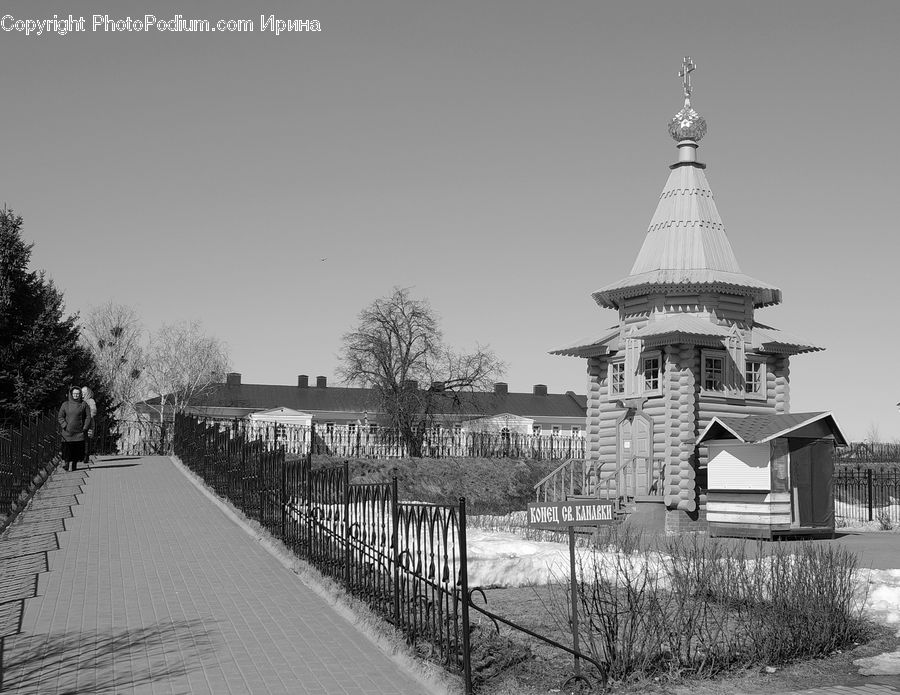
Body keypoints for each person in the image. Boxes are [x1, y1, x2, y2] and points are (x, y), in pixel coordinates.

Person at [58, 386, 92, 471]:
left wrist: (85, 427)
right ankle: (66, 463)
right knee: (67, 449)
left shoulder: (84, 404)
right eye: (74, 394)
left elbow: (88, 417)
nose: (76, 395)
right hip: (67, 432)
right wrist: (65, 425)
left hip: (79, 432)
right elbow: (60, 417)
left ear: (80, 394)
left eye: (77, 394)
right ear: (71, 394)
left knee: (77, 449)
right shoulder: (65, 404)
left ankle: (74, 464)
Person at [81, 386, 97, 465]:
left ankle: (86, 455)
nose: (83, 394)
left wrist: (88, 417)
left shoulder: (91, 401)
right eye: (82, 393)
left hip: (89, 422)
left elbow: (93, 411)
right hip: (81, 422)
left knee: (87, 438)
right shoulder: (80, 401)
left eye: (84, 393)